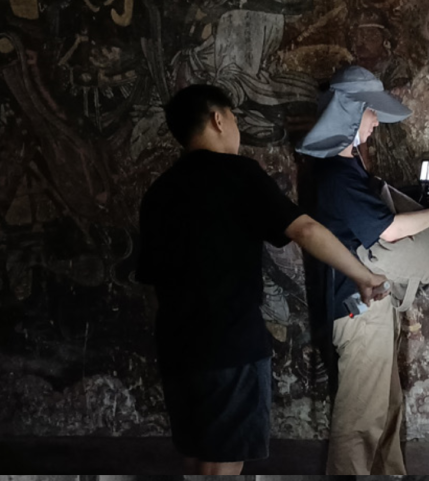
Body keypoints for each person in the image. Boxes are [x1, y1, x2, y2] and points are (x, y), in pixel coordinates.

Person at [136, 84, 387, 475]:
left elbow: (151, 278)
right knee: (223, 463)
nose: (236, 127)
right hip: (230, 345)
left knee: (196, 455)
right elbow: (304, 229)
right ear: (218, 119)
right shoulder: (238, 174)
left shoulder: (158, 191)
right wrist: (363, 275)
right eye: (234, 117)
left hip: (176, 347)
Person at [297, 65, 429, 475]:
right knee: (361, 422)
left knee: (385, 412)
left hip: (370, 305)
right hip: (357, 310)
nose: (375, 122)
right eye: (372, 112)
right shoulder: (337, 174)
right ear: (352, 112)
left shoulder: (347, 169)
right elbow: (387, 229)